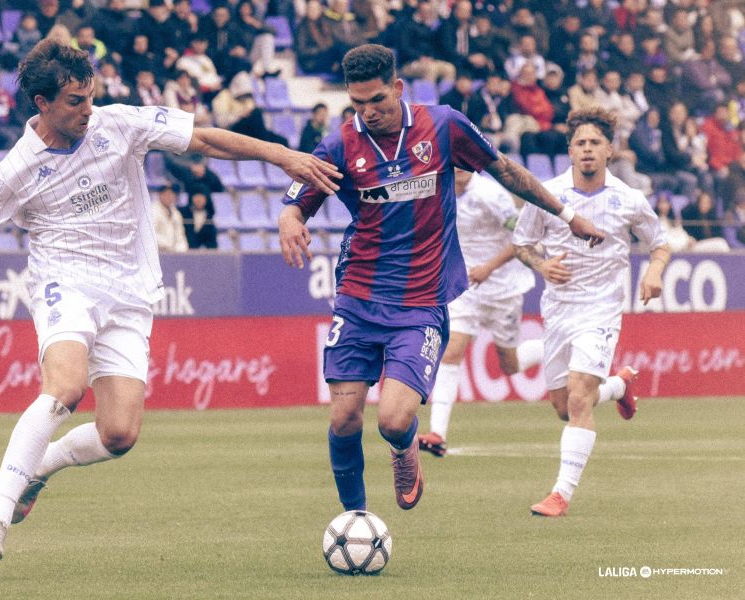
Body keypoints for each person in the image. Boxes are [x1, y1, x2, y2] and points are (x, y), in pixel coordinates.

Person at [0, 39, 340, 564]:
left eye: (89, 97)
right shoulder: (15, 168)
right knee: (64, 387)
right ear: (42, 104)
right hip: (65, 282)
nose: (87, 110)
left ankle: (39, 467)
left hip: (130, 290)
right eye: (73, 101)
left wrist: (282, 156)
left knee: (119, 434)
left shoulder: (118, 122)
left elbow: (203, 140)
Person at [278, 44, 603, 515]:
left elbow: (506, 171)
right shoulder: (341, 144)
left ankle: (404, 447)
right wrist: (290, 216)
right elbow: (298, 195)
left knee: (392, 420)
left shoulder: (443, 124)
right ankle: (356, 519)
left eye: (377, 101)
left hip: (420, 301)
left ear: (398, 88)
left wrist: (567, 214)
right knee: (344, 417)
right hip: (357, 296)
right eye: (358, 103)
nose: (368, 113)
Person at [513, 106, 671, 517]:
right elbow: (522, 244)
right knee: (564, 407)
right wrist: (541, 265)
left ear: (609, 150)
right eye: (580, 143)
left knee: (580, 400)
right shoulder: (547, 195)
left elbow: (661, 243)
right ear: (569, 150)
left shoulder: (628, 198)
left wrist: (653, 273)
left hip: (601, 310)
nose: (587, 150)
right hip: (558, 310)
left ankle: (560, 495)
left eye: (595, 143)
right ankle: (619, 387)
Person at [417, 168, 541, 457]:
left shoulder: (492, 195)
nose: (456, 170)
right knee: (451, 351)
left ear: (472, 166)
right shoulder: (440, 191)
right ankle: (437, 434)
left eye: (462, 164)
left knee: (509, 365)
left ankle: (553, 349)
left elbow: (522, 239)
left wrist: (489, 267)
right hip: (466, 288)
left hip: (503, 289)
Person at [151, 183, 188, 252]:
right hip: (157, 252)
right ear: (160, 195)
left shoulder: (176, 213)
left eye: (172, 194)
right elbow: (151, 235)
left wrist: (181, 249)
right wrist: (168, 245)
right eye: (167, 194)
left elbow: (180, 236)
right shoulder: (153, 211)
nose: (170, 197)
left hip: (173, 253)